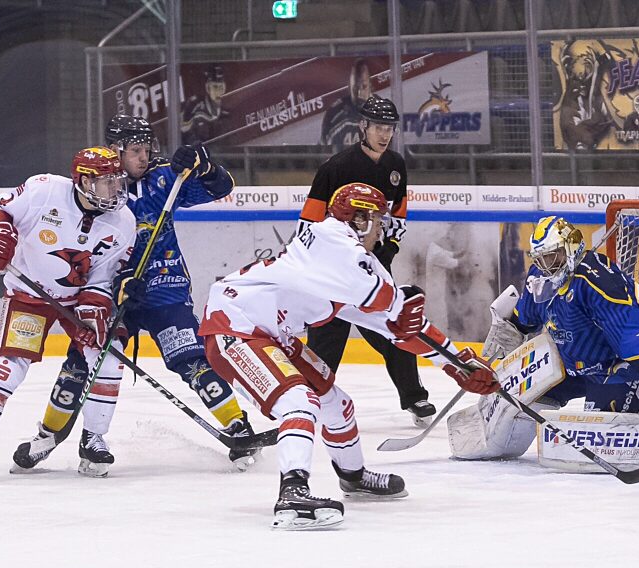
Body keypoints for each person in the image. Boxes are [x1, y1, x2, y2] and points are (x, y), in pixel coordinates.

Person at [199, 182, 498, 530]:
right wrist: (401, 304)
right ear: (359, 219)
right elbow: (386, 302)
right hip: (234, 326)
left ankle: (353, 476)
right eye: (377, 220)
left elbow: (399, 327)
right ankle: (293, 494)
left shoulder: (351, 267)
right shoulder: (329, 238)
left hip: (272, 333)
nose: (381, 229)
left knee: (336, 403)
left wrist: (457, 362)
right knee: (299, 402)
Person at [15, 115, 256, 473]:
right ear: (116, 150)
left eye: (147, 149)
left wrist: (205, 167)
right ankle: (48, 434)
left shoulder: (165, 179)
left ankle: (238, 425)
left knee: (191, 358)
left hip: (164, 289)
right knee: (81, 364)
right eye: (136, 151)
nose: (145, 157)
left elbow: (220, 188)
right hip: (107, 292)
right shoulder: (95, 185)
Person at [454, 215, 639, 460]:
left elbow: (631, 334)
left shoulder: (597, 280)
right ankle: (501, 445)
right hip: (578, 359)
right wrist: (509, 330)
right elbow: (525, 320)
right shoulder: (539, 277)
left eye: (552, 257)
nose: (547, 266)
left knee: (597, 436)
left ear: (571, 248)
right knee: (526, 397)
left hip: (622, 360)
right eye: (540, 259)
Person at [0, 147, 137, 481]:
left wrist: (93, 311)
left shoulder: (123, 222)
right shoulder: (44, 190)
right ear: (84, 181)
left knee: (109, 358)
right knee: (8, 366)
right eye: (106, 181)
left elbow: (101, 277)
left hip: (77, 301)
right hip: (29, 296)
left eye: (116, 180)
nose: (115, 189)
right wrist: (0, 235)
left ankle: (93, 439)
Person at [302, 94, 437, 427]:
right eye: (378, 126)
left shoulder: (395, 166)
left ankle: (414, 396)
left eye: (389, 128)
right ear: (363, 126)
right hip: (334, 271)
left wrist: (389, 247)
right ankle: (306, 403)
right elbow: (309, 221)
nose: (384, 134)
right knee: (325, 339)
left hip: (374, 267)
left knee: (395, 325)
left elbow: (398, 213)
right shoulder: (336, 167)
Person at [320, 59, 372, 149]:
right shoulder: (334, 114)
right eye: (355, 87)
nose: (359, 92)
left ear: (370, 85)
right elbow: (325, 149)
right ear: (349, 86)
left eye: (364, 86)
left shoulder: (382, 111)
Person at [182, 65, 228, 145]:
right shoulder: (194, 107)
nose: (218, 92)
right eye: (215, 87)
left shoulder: (226, 111)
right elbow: (184, 133)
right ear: (208, 88)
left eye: (221, 87)